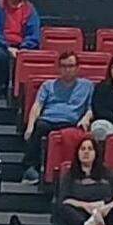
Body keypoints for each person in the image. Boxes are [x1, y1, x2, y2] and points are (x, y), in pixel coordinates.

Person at [21, 51, 94, 182]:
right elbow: (37, 106)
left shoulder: (88, 86)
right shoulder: (48, 85)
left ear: (77, 68)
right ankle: (30, 168)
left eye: (71, 66)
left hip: (72, 122)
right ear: (59, 68)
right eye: (64, 66)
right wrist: (30, 126)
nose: (67, 69)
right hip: (48, 120)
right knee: (39, 127)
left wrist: (86, 118)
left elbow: (90, 108)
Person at [54, 136, 113, 225]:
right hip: (82, 214)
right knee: (65, 209)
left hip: (106, 214)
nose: (86, 152)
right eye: (83, 149)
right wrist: (86, 206)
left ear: (96, 153)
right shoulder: (70, 176)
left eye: (90, 149)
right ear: (78, 153)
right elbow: (64, 200)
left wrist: (106, 208)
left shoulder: (108, 174)